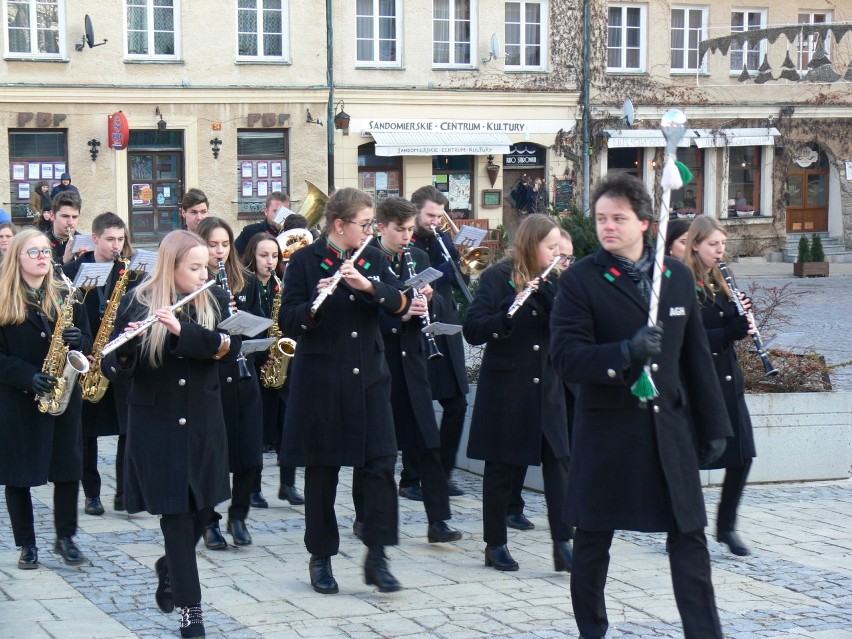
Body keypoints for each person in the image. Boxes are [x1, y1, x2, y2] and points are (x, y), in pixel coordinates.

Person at [549, 172, 732, 639]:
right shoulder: (582, 281)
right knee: (592, 542)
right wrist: (624, 353)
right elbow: (566, 358)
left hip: (668, 431)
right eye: (601, 219)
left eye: (619, 218)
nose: (608, 227)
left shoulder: (673, 277)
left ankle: (704, 632)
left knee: (689, 538)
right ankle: (592, 629)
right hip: (607, 434)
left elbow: (695, 357)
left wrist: (714, 424)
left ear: (646, 222)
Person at [103, 230, 234, 639]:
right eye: (193, 268)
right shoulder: (138, 300)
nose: (202, 273)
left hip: (203, 422)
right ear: (170, 267)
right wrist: (127, 349)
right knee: (176, 518)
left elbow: (226, 346)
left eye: (205, 266)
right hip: (157, 426)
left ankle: (168, 567)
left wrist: (181, 330)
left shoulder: (213, 299)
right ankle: (191, 614)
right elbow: (112, 365)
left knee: (203, 511)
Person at [279, 187, 410, 595]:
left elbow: (400, 303)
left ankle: (378, 555)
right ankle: (321, 558)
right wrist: (315, 304)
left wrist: (370, 287)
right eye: (365, 223)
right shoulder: (304, 261)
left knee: (381, 467)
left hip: (370, 379)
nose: (371, 229)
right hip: (322, 382)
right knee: (322, 474)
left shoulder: (373, 258)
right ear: (340, 225)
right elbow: (287, 320)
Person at [464, 214, 572, 572]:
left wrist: (549, 294)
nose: (557, 253)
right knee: (501, 470)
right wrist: (507, 317)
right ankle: (495, 544)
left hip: (548, 390)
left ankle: (562, 542)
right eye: (551, 247)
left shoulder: (559, 280)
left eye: (559, 247)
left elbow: (572, 324)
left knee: (559, 467)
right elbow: (474, 328)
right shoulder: (498, 277)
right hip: (507, 389)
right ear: (531, 245)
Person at [357, 196, 462, 545]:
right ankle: (365, 517)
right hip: (380, 361)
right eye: (400, 230)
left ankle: (438, 520)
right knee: (374, 447)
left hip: (414, 361)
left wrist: (430, 299)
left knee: (428, 443)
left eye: (409, 231)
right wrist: (399, 315)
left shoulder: (417, 257)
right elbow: (364, 313)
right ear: (382, 227)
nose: (406, 237)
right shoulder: (366, 259)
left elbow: (441, 305)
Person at [0, 228, 92, 570]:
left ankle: (65, 537)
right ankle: (26, 545)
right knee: (18, 474)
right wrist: (27, 376)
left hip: (63, 395)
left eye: (45, 252)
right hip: (18, 399)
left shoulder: (68, 293)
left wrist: (78, 337)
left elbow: (85, 345)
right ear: (17, 259)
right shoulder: (2, 297)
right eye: (34, 253)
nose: (43, 258)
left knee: (68, 468)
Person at [683, 215, 757, 557]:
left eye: (723, 244)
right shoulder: (683, 282)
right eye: (714, 244)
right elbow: (687, 335)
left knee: (742, 455)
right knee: (692, 460)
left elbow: (728, 323)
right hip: (700, 382)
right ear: (695, 244)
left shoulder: (722, 278)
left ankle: (726, 526)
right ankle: (684, 529)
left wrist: (742, 319)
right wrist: (727, 332)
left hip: (729, 379)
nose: (720, 250)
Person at [63, 213, 137, 516]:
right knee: (87, 433)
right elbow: (67, 317)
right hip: (89, 360)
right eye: (110, 239)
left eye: (121, 239)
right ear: (94, 238)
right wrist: (84, 349)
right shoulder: (73, 271)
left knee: (127, 429)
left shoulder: (129, 272)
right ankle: (91, 494)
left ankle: (124, 493)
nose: (116, 246)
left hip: (118, 357)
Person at [196, 217, 264, 549]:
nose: (219, 252)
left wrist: (243, 323)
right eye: (212, 245)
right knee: (212, 456)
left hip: (243, 374)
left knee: (249, 452)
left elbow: (262, 326)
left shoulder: (245, 281)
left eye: (224, 244)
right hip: (211, 379)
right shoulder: (193, 285)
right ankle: (209, 521)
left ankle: (239, 515)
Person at [407, 186, 469, 498]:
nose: (435, 221)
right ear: (416, 211)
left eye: (439, 215)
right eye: (430, 215)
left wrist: (464, 263)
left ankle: (442, 473)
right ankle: (411, 477)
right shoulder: (409, 240)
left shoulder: (443, 238)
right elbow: (423, 276)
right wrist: (449, 267)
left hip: (446, 321)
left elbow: (458, 279)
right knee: (419, 406)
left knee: (457, 402)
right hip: (417, 325)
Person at [240, 232, 304, 509]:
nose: (270, 261)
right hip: (256, 365)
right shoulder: (242, 285)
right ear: (252, 256)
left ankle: (287, 483)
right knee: (256, 431)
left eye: (274, 256)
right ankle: (253, 488)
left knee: (289, 425)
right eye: (263, 255)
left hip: (281, 363)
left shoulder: (282, 286)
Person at [234, 191, 291, 256]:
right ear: (266, 211)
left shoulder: (293, 233)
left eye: (284, 211)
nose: (280, 215)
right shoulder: (250, 232)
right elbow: (235, 256)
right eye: (275, 211)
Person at [47, 191, 83, 265]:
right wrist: (64, 260)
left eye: (75, 217)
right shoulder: (41, 242)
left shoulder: (84, 242)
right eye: (65, 216)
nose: (70, 222)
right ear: (52, 215)